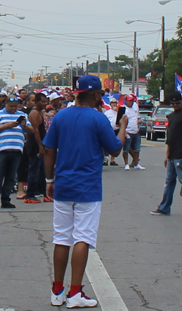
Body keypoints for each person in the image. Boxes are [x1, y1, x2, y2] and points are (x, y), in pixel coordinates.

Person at [43, 75, 126, 308]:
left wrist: (50, 179)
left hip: (63, 184)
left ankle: (57, 291)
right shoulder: (98, 119)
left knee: (61, 238)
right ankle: (75, 293)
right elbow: (115, 151)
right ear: (97, 95)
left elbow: (49, 150)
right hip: (88, 187)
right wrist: (123, 128)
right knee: (83, 238)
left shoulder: (61, 116)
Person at [0, 95, 33, 209]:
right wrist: (7, 125)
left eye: (15, 106)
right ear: (5, 105)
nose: (14, 108)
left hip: (17, 150)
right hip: (2, 150)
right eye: (11, 106)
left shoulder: (22, 115)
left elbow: (31, 130)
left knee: (11, 177)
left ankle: (6, 199)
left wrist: (24, 126)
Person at [25, 93, 50, 204]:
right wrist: (40, 147)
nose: (44, 104)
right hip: (35, 145)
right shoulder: (34, 113)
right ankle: (30, 195)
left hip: (41, 144)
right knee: (34, 170)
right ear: (36, 102)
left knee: (42, 172)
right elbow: (35, 131)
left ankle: (46, 194)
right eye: (42, 102)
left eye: (46, 102)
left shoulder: (40, 112)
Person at [122, 94, 145, 170]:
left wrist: (139, 123)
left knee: (136, 149)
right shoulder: (123, 109)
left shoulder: (135, 106)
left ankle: (136, 163)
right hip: (128, 131)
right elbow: (120, 122)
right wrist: (124, 131)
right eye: (129, 101)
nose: (131, 102)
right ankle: (126, 163)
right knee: (126, 149)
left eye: (132, 100)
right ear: (126, 101)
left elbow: (137, 117)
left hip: (135, 130)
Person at [104, 97, 120, 166]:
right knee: (107, 144)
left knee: (115, 145)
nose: (114, 104)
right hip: (109, 130)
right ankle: (106, 158)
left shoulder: (119, 112)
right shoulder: (107, 112)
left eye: (115, 103)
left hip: (117, 129)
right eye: (112, 103)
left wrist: (118, 111)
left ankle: (112, 160)